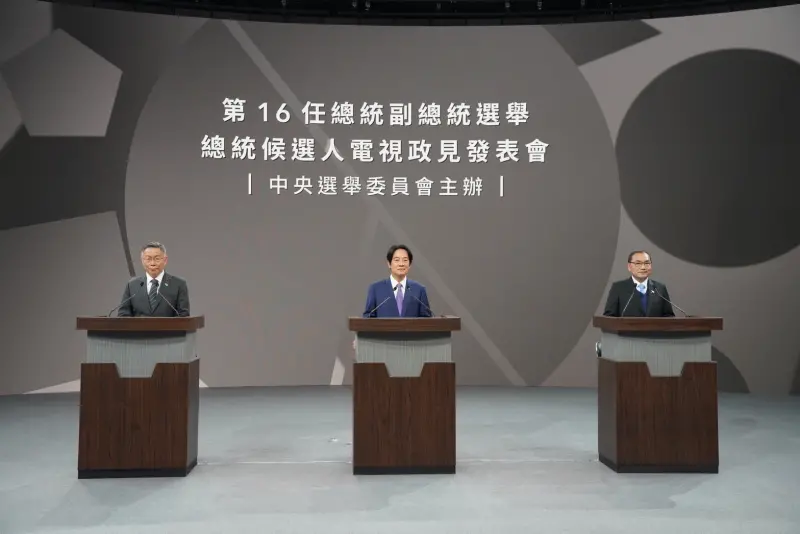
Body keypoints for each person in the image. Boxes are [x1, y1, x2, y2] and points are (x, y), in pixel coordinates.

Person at [117, 241, 190, 317]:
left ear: (165, 260)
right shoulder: (132, 285)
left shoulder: (178, 284)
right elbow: (123, 315)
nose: (152, 263)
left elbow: (183, 315)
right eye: (148, 259)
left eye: (157, 259)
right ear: (142, 261)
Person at [362, 244, 433, 318]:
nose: (401, 264)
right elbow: (368, 317)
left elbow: (426, 319)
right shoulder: (376, 289)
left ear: (410, 264)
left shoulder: (419, 290)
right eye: (397, 260)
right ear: (389, 264)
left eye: (405, 260)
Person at [603, 250, 675, 318]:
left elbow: (669, 316)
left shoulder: (659, 288)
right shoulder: (618, 288)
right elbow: (609, 317)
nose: (643, 267)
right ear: (629, 267)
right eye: (638, 263)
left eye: (647, 263)